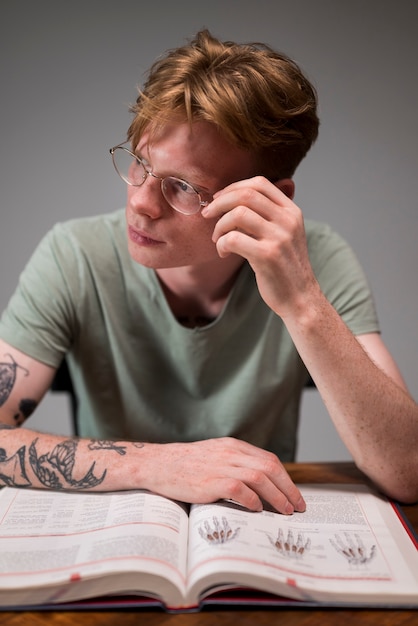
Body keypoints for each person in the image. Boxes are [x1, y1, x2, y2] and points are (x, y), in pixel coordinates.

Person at [0, 30, 417, 513]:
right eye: (138, 164)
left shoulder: (317, 263)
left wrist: (302, 303)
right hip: (117, 533)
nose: (139, 202)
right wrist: (156, 465)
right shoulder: (72, 255)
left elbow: (407, 472)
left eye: (181, 187)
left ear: (269, 198)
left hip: (258, 531)